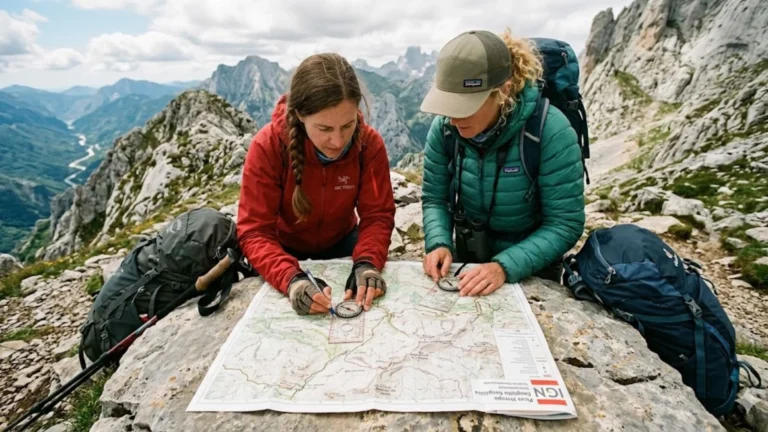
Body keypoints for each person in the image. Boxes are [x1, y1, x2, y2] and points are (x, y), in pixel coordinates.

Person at [419, 29, 586, 297]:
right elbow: (435, 198)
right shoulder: (446, 129)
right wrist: (438, 242)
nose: (453, 118)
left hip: (533, 270)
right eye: (449, 105)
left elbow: (565, 223)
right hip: (468, 263)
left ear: (503, 91)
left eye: (466, 106)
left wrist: (503, 267)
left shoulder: (550, 131)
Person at [237, 53, 396, 316]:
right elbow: (254, 231)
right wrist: (291, 279)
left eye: (347, 125)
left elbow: (377, 216)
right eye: (324, 129)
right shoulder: (267, 146)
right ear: (300, 114)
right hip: (283, 248)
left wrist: (367, 263)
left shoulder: (369, 144)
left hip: (343, 241)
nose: (338, 141)